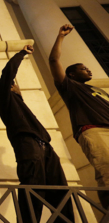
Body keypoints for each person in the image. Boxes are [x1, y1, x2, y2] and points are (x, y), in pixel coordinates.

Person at [0, 45, 74, 222]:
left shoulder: (21, 105)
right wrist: (21, 54)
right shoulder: (4, 100)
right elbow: (7, 73)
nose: (17, 86)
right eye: (14, 84)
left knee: (60, 190)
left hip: (45, 146)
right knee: (33, 188)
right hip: (28, 144)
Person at [49, 24, 109, 209]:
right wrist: (61, 36)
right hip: (94, 131)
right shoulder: (70, 87)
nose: (89, 71)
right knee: (107, 175)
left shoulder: (97, 90)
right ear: (71, 74)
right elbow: (53, 60)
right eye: (83, 69)